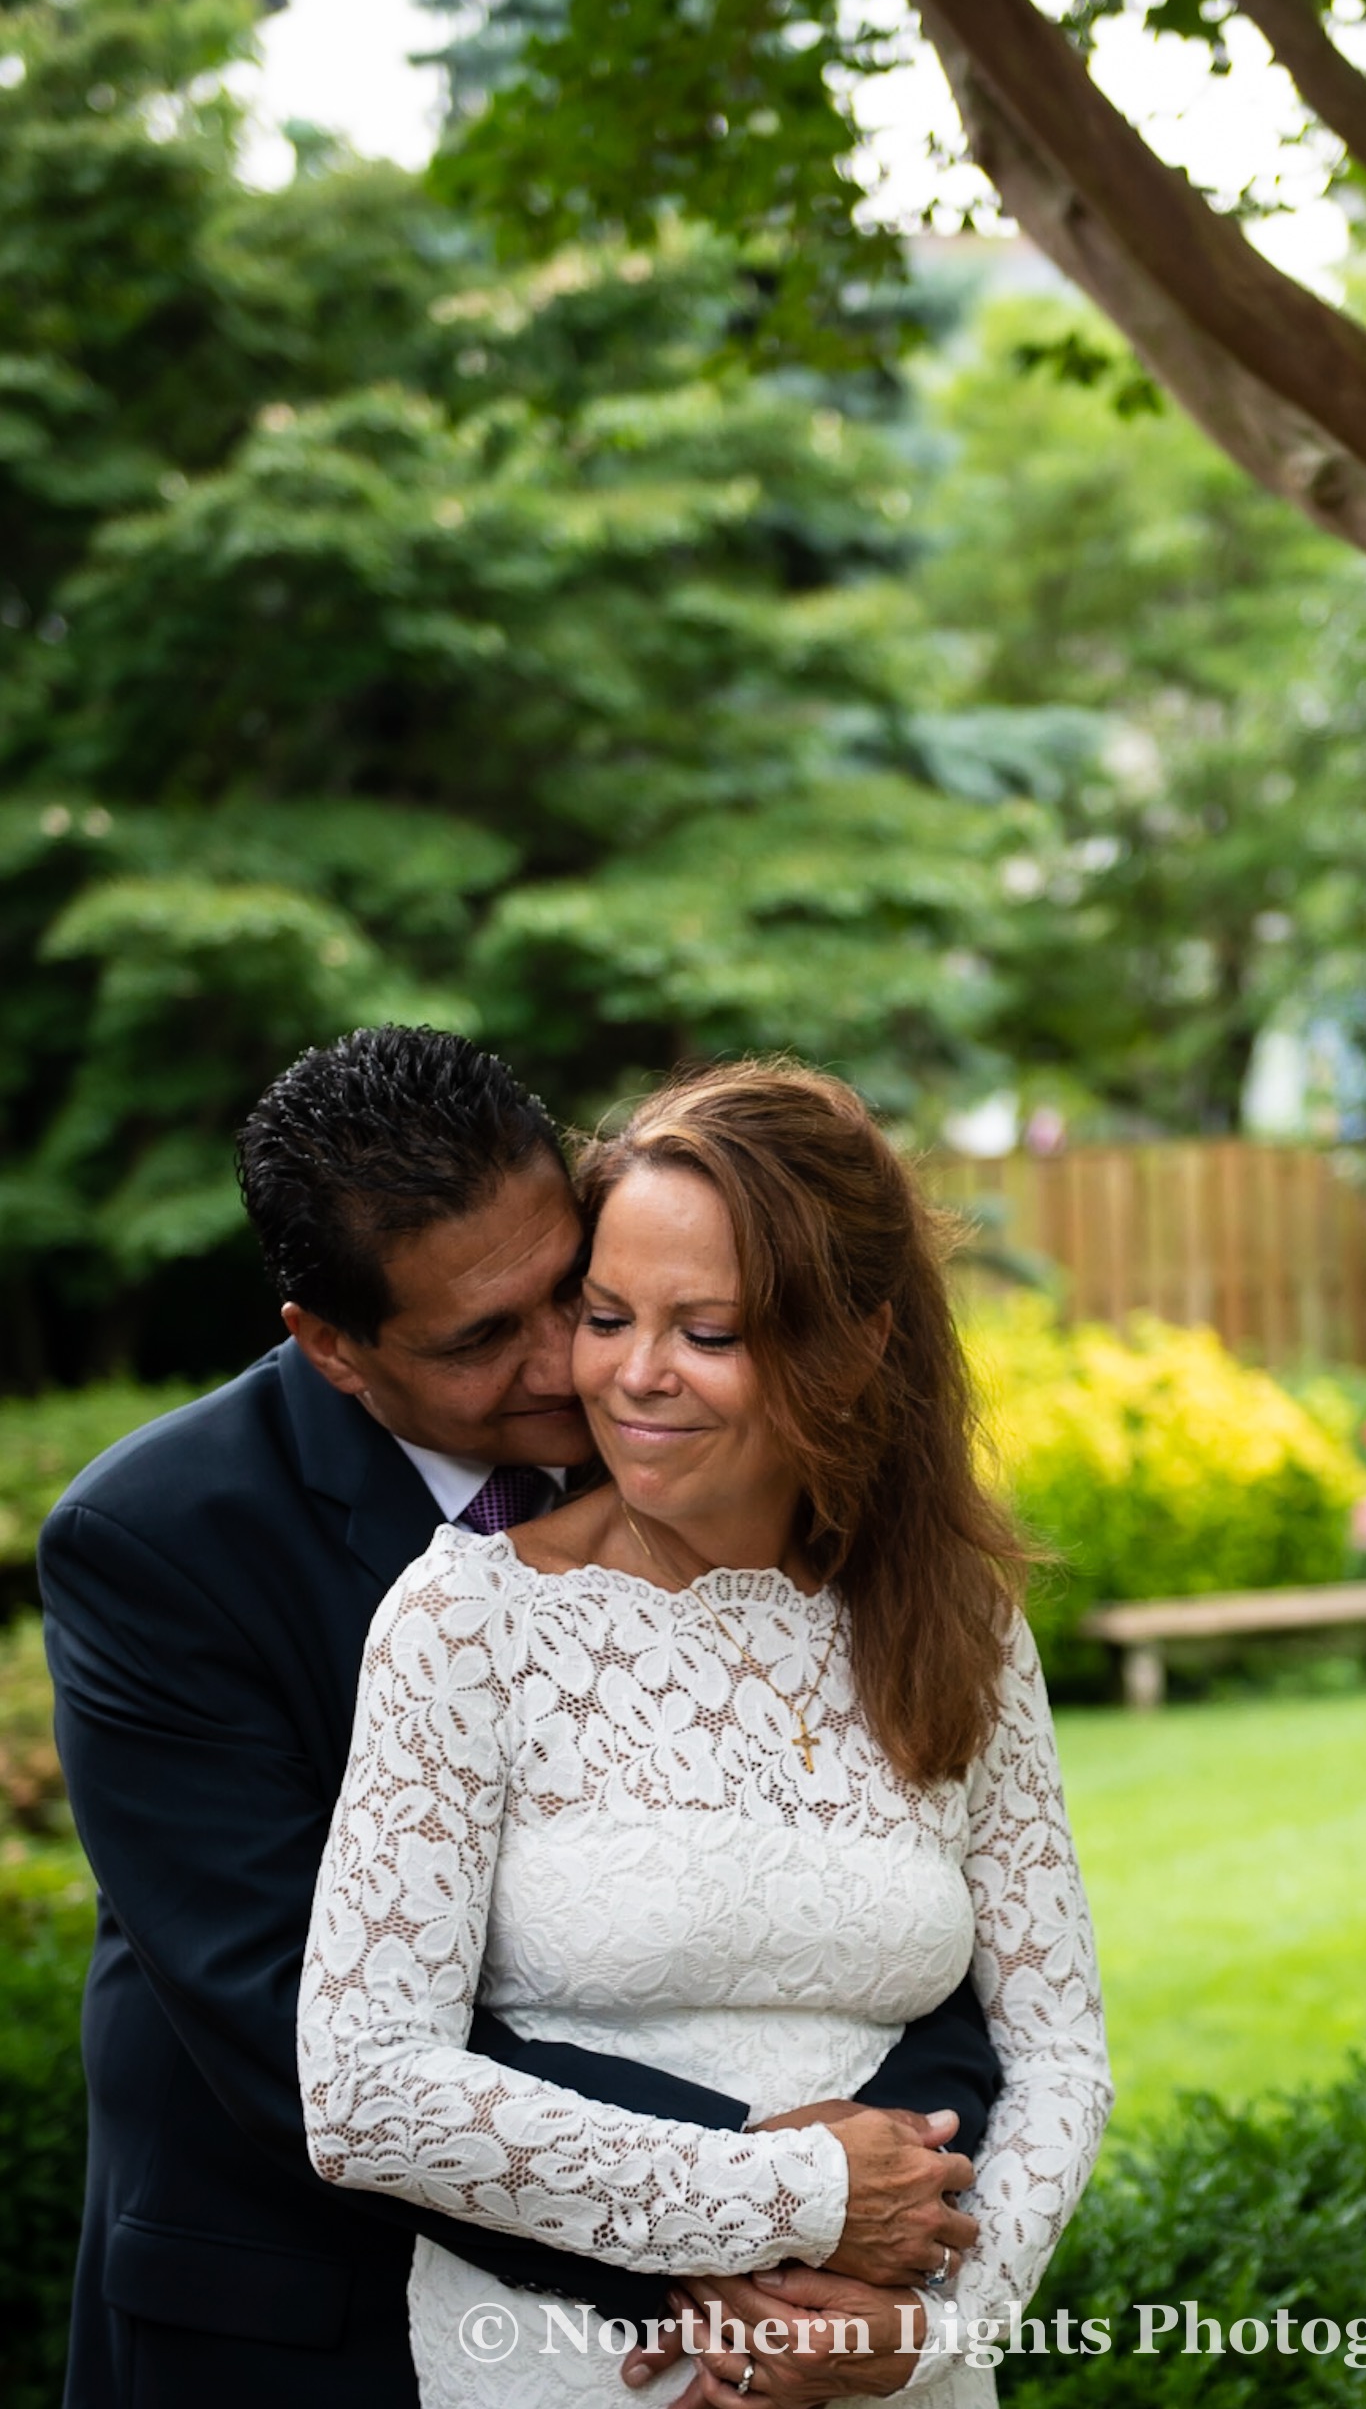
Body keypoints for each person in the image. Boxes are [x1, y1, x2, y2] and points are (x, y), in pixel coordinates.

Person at [41, 1028, 1001, 2409]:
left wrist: (900, 2175)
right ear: (333, 1348)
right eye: (482, 1338)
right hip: (297, 2317)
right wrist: (758, 2208)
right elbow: (282, 2019)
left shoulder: (708, 1454)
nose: (569, 1363)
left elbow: (901, 1896)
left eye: (571, 1289)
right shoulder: (159, 1543)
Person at [297, 1059, 1114, 2406]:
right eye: (607, 1317)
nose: (634, 1376)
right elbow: (366, 2091)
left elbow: (1059, 2054)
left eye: (709, 1333)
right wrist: (787, 2201)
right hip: (569, 2367)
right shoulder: (466, 1622)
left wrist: (928, 2334)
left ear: (855, 1344)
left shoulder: (956, 1621)